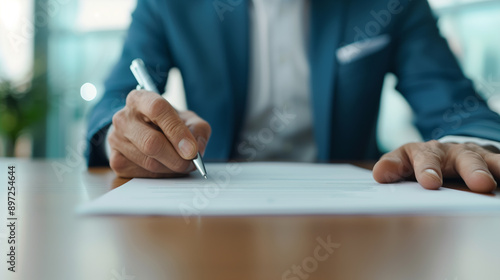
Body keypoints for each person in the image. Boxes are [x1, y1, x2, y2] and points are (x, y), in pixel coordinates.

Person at [87, 0, 500, 193]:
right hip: (208, 206)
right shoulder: (169, 5)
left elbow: (456, 108)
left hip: (355, 219)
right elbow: (115, 101)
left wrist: (464, 147)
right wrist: (124, 136)